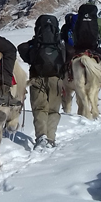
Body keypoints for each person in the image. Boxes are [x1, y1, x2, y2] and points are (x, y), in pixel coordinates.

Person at [18, 15, 66, 148]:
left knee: (40, 108)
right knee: (53, 111)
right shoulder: (60, 45)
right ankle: (51, 138)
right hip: (56, 80)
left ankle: (41, 137)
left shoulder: (34, 44)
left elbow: (21, 48)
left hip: (36, 78)